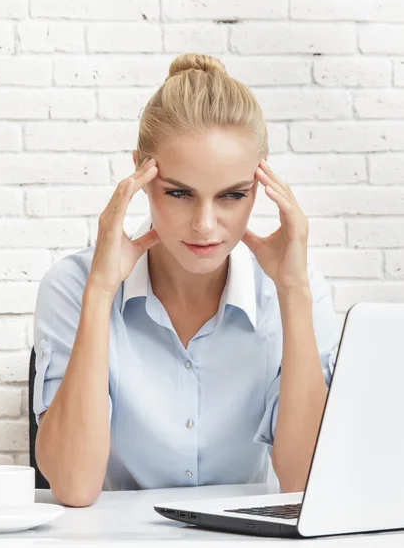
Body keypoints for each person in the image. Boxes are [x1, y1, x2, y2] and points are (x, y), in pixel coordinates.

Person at [33, 53, 340, 508]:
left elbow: (304, 483)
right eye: (179, 193)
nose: (205, 225)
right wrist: (99, 292)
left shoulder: (294, 290)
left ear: (259, 185)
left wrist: (294, 294)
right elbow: (74, 487)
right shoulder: (74, 285)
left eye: (233, 196)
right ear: (141, 173)